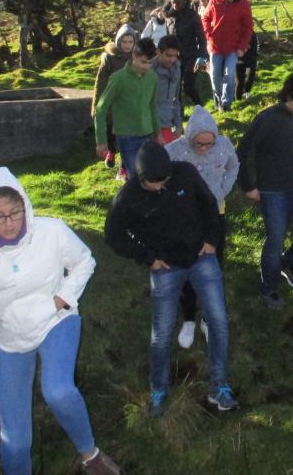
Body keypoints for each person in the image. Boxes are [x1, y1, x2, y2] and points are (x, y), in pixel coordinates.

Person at [0, 167, 122, 475]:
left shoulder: (51, 231)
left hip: (57, 320)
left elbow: (84, 261)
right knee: (14, 441)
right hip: (11, 338)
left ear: (25, 205)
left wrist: (61, 298)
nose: (9, 222)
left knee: (57, 390)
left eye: (15, 212)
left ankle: (90, 454)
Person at [104, 142, 238, 416]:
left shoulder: (185, 173)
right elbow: (114, 236)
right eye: (153, 183)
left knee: (219, 321)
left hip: (202, 257)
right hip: (165, 267)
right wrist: (147, 258)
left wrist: (212, 240)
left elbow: (210, 204)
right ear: (140, 178)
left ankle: (219, 387)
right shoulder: (128, 197)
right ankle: (159, 389)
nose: (160, 187)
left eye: (164, 180)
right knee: (161, 334)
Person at [237, 73, 293, 309]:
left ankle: (289, 262)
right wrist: (249, 185)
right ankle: (269, 288)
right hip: (272, 190)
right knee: (275, 239)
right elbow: (245, 151)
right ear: (286, 96)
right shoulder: (267, 119)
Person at [166, 105, 240, 349]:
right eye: (200, 144)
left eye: (209, 144)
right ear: (190, 138)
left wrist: (221, 191)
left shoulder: (225, 145)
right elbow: (158, 173)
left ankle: (209, 319)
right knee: (187, 266)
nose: (205, 148)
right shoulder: (175, 150)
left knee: (213, 268)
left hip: (215, 216)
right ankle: (188, 318)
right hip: (185, 220)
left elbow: (234, 166)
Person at [94, 37, 161, 179]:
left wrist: (158, 133)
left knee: (149, 175)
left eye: (150, 63)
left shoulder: (152, 77)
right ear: (134, 56)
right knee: (135, 177)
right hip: (127, 136)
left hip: (147, 133)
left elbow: (152, 106)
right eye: (143, 62)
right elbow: (101, 109)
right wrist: (101, 141)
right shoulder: (118, 78)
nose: (146, 66)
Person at [201, 0, 254, 112]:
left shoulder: (243, 5)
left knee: (229, 74)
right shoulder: (215, 1)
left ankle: (227, 102)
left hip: (232, 47)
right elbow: (205, 18)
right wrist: (208, 33)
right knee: (214, 74)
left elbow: (248, 28)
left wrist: (242, 46)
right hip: (215, 46)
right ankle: (218, 98)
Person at [92, 24, 137, 178]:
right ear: (118, 42)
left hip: (129, 104)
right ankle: (111, 151)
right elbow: (100, 83)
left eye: (130, 42)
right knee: (112, 133)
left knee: (127, 138)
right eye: (124, 42)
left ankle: (124, 166)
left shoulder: (137, 58)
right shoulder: (109, 59)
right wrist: (96, 106)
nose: (127, 45)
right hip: (112, 104)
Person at [164, 0, 208, 107]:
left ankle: (201, 109)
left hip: (190, 57)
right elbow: (168, 37)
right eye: (172, 2)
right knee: (175, 90)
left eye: (177, 3)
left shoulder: (193, 16)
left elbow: (201, 38)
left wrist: (202, 56)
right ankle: (178, 119)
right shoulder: (170, 16)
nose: (174, 5)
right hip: (174, 58)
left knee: (188, 87)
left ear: (184, 1)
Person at [151, 35, 183, 144]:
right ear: (158, 52)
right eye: (168, 55)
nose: (172, 59)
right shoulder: (149, 70)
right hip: (148, 127)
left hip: (167, 124)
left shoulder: (177, 69)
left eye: (175, 55)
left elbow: (176, 99)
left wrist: (178, 125)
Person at [235, 30, 259, 101]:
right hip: (238, 60)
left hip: (251, 59)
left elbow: (257, 46)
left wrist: (254, 56)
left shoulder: (251, 33)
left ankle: (247, 92)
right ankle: (238, 97)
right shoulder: (234, 32)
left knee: (250, 76)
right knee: (239, 80)